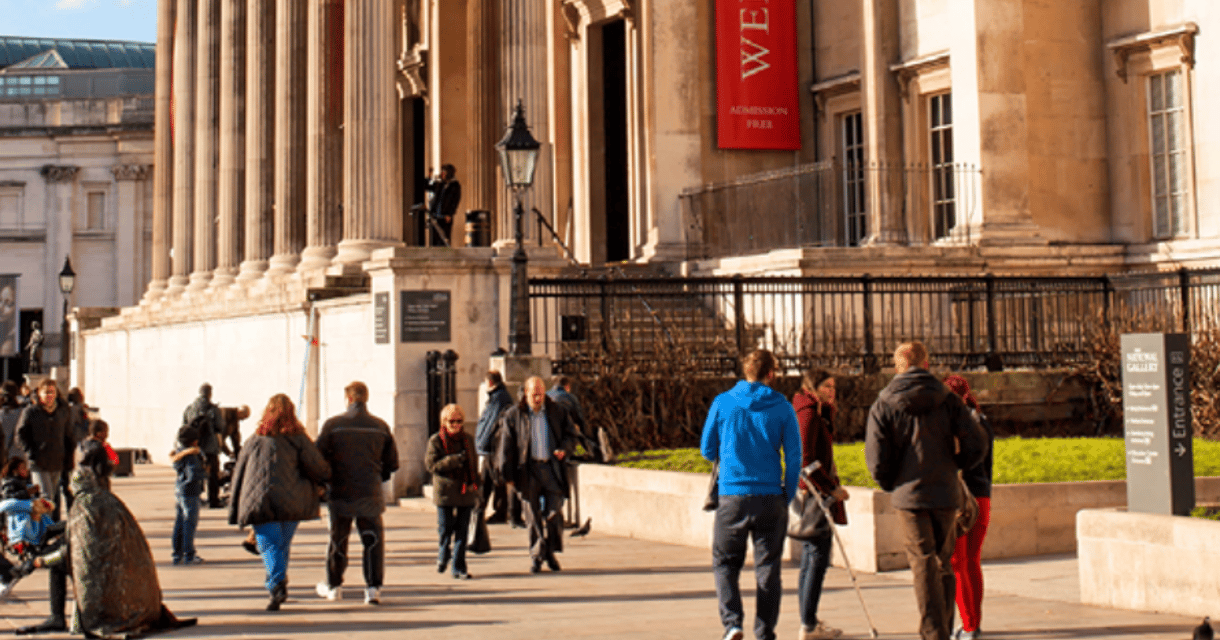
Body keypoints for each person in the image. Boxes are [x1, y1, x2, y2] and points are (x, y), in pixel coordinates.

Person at [865, 342, 988, 640]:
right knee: (942, 561)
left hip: (910, 494)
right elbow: (977, 442)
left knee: (922, 561)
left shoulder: (884, 402)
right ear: (926, 364)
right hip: (944, 492)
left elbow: (876, 458)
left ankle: (934, 632)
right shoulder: (947, 400)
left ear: (898, 367)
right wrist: (956, 464)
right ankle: (942, 628)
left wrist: (892, 481)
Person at [19, 440, 195, 637]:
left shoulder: (86, 502)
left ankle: (60, 618)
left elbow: (75, 553)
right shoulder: (106, 497)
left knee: (63, 566)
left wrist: (39, 561)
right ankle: (64, 618)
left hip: (106, 598)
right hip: (125, 588)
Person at [700, 349, 801, 640]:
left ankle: (732, 623)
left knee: (724, 562)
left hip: (733, 494)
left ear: (745, 372)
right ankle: (765, 630)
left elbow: (707, 449)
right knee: (768, 566)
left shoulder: (723, 403)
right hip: (770, 496)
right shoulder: (782, 407)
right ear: (771, 374)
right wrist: (787, 493)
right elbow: (794, 457)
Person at [229, 394, 331, 611]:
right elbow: (318, 467)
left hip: (261, 501)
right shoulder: (299, 439)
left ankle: (276, 585)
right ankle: (277, 581)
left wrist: (236, 503)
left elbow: (239, 471)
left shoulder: (255, 439)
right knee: (281, 545)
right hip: (292, 502)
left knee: (269, 544)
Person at [314, 381, 399, 605]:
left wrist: (326, 481)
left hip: (340, 491)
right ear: (365, 398)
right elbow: (392, 462)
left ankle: (334, 585)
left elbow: (317, 457)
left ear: (349, 399)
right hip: (369, 491)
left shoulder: (333, 425)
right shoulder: (380, 426)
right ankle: (373, 588)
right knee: (372, 540)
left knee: (338, 539)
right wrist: (377, 477)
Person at [493, 376, 580, 574]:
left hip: (551, 468)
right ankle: (537, 556)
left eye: (541, 393)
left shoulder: (557, 411)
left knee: (554, 513)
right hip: (527, 470)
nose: (538, 398)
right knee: (532, 516)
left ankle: (549, 551)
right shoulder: (514, 415)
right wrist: (506, 474)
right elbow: (505, 446)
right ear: (526, 393)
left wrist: (564, 449)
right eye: (534, 394)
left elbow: (571, 435)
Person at [793, 369, 849, 640]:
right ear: (813, 387)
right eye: (826, 386)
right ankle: (808, 623)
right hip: (815, 495)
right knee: (816, 557)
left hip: (815, 491)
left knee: (812, 556)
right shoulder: (808, 413)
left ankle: (809, 619)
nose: (831, 391)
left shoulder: (816, 411)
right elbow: (805, 459)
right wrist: (830, 488)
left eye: (833, 386)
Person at [944, 375, 995, 640]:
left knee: (958, 562)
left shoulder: (955, 424)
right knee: (972, 562)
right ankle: (973, 621)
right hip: (982, 497)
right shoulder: (981, 420)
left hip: (961, 500)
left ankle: (969, 625)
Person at [425, 403, 479, 580]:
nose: (456, 425)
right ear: (444, 422)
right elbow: (432, 465)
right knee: (445, 529)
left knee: (462, 532)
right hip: (445, 492)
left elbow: (474, 464)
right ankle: (443, 553)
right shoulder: (436, 440)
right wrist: (454, 460)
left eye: (459, 421)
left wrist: (475, 483)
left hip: (464, 491)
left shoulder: (468, 439)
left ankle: (459, 567)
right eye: (452, 421)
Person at [14, 379, 75, 517]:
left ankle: (46, 528)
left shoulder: (62, 412)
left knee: (52, 498)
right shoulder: (31, 412)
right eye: (46, 392)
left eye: (52, 392)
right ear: (39, 393)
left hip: (57, 461)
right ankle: (45, 533)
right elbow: (20, 435)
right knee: (46, 497)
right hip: (38, 462)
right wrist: (31, 452)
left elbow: (68, 436)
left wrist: (69, 459)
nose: (49, 395)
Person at [475, 370, 519, 525]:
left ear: (490, 382)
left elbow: (490, 424)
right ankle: (498, 510)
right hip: (494, 446)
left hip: (493, 447)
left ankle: (481, 510)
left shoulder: (498, 399)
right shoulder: (499, 397)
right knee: (495, 479)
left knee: (488, 480)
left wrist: (481, 443)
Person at [183, 383, 224, 508]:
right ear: (210, 394)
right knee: (213, 474)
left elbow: (184, 425)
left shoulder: (190, 408)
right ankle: (213, 500)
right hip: (210, 446)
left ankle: (195, 499)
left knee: (193, 473)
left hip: (193, 446)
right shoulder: (213, 409)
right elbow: (220, 427)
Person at [170, 425, 206, 565]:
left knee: (179, 522)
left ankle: (177, 554)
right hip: (190, 492)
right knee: (189, 523)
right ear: (194, 441)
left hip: (179, 489)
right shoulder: (192, 456)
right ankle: (189, 553)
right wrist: (204, 474)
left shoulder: (179, 453)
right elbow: (193, 474)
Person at [548, 375, 602, 462]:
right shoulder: (571, 398)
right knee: (581, 441)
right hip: (567, 434)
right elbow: (580, 420)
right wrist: (585, 435)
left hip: (550, 435)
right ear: (567, 386)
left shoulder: (546, 395)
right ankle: (583, 454)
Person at [424, 163, 462, 246]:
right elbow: (426, 186)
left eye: (443, 172)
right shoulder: (439, 184)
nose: (442, 174)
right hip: (435, 215)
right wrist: (429, 176)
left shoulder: (455, 186)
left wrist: (450, 214)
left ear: (449, 173)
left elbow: (455, 201)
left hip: (445, 216)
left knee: (444, 239)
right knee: (434, 239)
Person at [2, 380, 22, 460]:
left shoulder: (3, 413)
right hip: (21, 457)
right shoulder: (23, 411)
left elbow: (6, 437)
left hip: (7, 457)